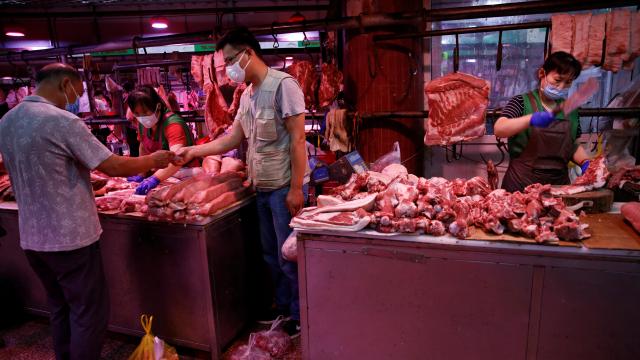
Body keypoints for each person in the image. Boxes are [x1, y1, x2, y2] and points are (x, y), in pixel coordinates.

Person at [0, 63, 175, 360]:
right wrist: (154, 161)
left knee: (60, 307)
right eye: (78, 93)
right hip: (70, 238)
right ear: (65, 83)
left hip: (31, 237)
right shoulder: (62, 121)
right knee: (87, 313)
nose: (77, 101)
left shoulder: (7, 120)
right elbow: (111, 165)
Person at [174, 27, 310, 337]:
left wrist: (295, 188)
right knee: (269, 255)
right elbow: (233, 138)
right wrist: (192, 151)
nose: (229, 69)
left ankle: (300, 314)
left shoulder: (283, 86)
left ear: (249, 53)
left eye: (232, 60)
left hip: (282, 188)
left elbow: (299, 139)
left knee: (287, 256)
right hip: (260, 187)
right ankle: (284, 307)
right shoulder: (247, 94)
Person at [494, 51, 591, 193]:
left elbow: (573, 143)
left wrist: (585, 162)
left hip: (558, 188)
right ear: (542, 74)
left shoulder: (571, 109)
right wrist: (531, 119)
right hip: (521, 188)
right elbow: (499, 128)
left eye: (568, 82)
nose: (561, 87)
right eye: (557, 80)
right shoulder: (521, 102)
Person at [126, 85, 199, 194]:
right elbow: (143, 148)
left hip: (186, 174)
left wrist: (154, 179)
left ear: (158, 106)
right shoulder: (143, 124)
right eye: (137, 114)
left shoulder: (173, 124)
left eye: (145, 112)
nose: (142, 117)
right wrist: (142, 173)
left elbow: (176, 158)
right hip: (163, 175)